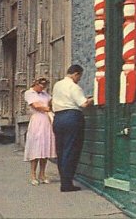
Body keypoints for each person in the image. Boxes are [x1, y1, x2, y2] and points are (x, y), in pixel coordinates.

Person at [52, 64, 93, 192]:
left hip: (58, 118)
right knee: (71, 150)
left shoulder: (57, 85)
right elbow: (83, 104)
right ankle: (67, 183)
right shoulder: (74, 87)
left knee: (61, 150)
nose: (79, 79)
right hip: (72, 117)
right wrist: (93, 98)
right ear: (76, 74)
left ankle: (64, 180)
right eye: (79, 77)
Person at [23, 77, 56, 185]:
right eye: (41, 86)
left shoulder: (45, 94)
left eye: (44, 86)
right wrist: (49, 108)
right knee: (36, 147)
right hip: (37, 120)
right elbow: (36, 106)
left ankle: (42, 174)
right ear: (36, 84)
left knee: (45, 148)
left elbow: (52, 102)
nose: (42, 88)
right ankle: (33, 174)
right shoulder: (29, 93)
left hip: (47, 121)